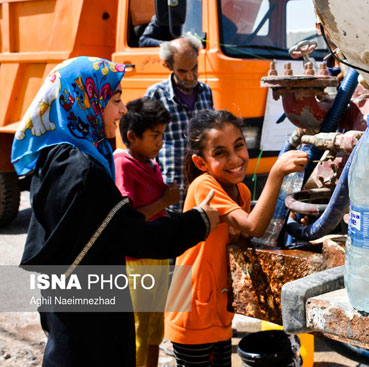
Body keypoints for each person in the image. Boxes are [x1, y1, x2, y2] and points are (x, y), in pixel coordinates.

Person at [10, 56, 219, 367]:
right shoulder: (84, 171)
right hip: (92, 323)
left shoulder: (54, 156)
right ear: (84, 99)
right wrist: (199, 221)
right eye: (115, 99)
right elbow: (135, 236)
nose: (122, 110)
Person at [164, 110, 308, 367]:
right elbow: (252, 226)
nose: (235, 159)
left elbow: (247, 237)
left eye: (239, 146)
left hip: (216, 309)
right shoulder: (205, 186)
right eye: (220, 153)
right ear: (201, 163)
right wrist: (275, 174)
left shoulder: (240, 190)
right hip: (192, 312)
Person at [114, 97, 179, 367]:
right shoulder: (123, 164)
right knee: (138, 329)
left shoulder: (151, 162)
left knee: (154, 329)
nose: (161, 141)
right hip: (137, 263)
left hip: (158, 256)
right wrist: (165, 201)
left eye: (162, 135)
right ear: (132, 136)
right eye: (155, 135)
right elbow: (125, 217)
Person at [145, 34, 214, 213]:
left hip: (202, 182)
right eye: (183, 71)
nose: (191, 76)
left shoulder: (206, 92)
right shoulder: (156, 95)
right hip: (172, 185)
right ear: (169, 66)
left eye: (194, 68)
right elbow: (145, 146)